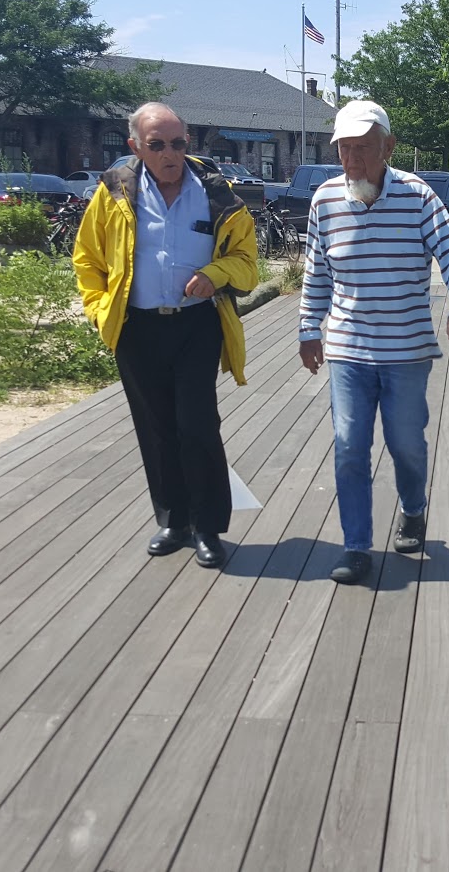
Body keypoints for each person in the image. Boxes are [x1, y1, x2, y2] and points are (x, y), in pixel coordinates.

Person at [298, 100, 449, 584]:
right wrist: (308, 329)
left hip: (406, 350)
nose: (352, 160)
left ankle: (413, 509)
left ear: (388, 147)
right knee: (349, 446)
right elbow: (316, 272)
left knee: (406, 444)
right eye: (344, 149)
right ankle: (356, 546)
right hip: (348, 349)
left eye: (362, 148)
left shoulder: (419, 197)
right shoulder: (324, 200)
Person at [73, 102, 258, 568]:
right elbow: (87, 258)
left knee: (197, 425)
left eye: (177, 143)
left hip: (196, 325)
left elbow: (247, 265)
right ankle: (174, 522)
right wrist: (98, 311)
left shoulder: (218, 195)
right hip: (136, 327)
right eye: (156, 145)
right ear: (135, 147)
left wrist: (215, 274)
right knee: (155, 428)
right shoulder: (113, 193)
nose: (169, 154)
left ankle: (208, 527)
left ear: (187, 143)